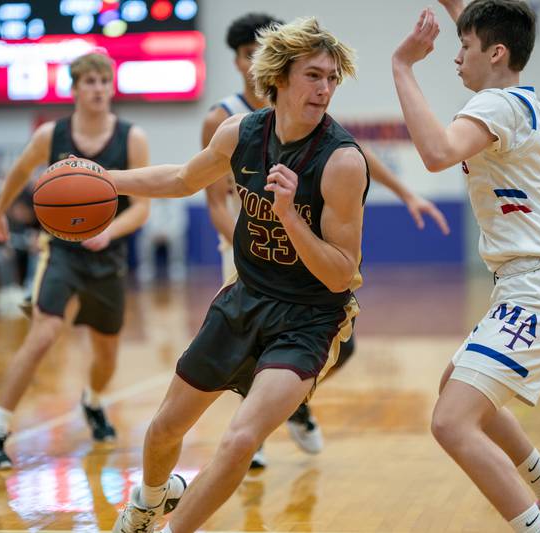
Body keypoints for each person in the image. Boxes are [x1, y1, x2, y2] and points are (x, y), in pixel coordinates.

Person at [109, 16, 367, 533]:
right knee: (164, 429)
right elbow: (183, 178)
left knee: (241, 439)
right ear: (279, 77)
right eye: (314, 75)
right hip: (244, 299)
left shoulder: (341, 161)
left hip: (310, 318)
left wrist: (291, 215)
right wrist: (103, 178)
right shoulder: (241, 133)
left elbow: (344, 275)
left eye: (332, 78)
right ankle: (149, 501)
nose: (325, 88)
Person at [203, 12, 451, 468]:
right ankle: (252, 429)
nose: (253, 58)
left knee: (341, 345)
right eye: (246, 53)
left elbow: (355, 151)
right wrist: (235, 245)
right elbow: (212, 195)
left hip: (295, 245)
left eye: (327, 76)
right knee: (247, 347)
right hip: (248, 246)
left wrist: (406, 192)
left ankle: (286, 401)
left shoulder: (307, 104)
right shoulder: (226, 117)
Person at [391, 1, 540, 531]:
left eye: (465, 48)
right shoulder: (517, 97)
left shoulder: (498, 105)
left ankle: (538, 524)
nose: (456, 57)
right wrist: (458, 12)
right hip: (530, 282)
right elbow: (480, 18)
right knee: (456, 390)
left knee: (451, 423)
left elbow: (437, 152)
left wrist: (402, 67)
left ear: (497, 52)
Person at [0, 52, 151, 469]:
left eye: (103, 82)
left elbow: (141, 207)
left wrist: (109, 230)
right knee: (42, 334)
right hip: (59, 253)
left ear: (111, 88)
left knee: (106, 355)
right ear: (74, 90)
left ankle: (92, 402)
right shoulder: (51, 135)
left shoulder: (132, 137)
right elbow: (19, 173)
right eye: (88, 82)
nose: (97, 89)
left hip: (107, 257)